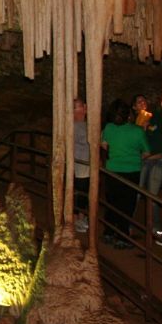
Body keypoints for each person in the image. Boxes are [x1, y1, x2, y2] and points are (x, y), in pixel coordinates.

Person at [102, 99, 150, 249]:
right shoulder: (137, 131)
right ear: (129, 115)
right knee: (127, 205)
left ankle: (109, 232)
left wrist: (115, 152)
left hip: (112, 170)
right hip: (131, 171)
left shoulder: (109, 128)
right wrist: (134, 156)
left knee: (112, 202)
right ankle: (122, 237)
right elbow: (147, 152)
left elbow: (103, 144)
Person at [132, 66, 162, 235]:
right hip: (143, 162)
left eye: (144, 100)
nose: (143, 102)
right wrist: (141, 127)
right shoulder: (134, 124)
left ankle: (155, 228)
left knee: (153, 196)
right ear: (134, 107)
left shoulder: (155, 116)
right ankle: (128, 224)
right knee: (136, 194)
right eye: (139, 102)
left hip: (157, 161)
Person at [73, 98, 90, 233]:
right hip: (79, 164)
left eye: (81, 106)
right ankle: (78, 218)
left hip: (87, 164)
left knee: (84, 191)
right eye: (76, 107)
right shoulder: (72, 126)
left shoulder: (87, 124)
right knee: (80, 191)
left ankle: (81, 216)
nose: (81, 109)